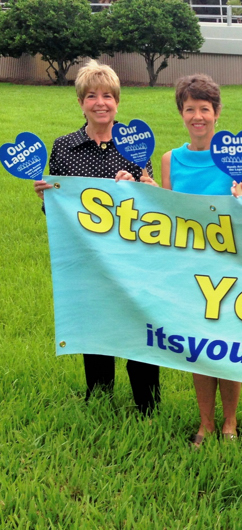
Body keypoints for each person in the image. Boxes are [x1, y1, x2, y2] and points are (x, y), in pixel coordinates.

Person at [32, 60, 160, 415]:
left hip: (134, 256)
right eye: (92, 96)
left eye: (107, 95)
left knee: (139, 322)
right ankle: (100, 395)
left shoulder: (135, 143)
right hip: (87, 256)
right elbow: (60, 213)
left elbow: (153, 209)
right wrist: (48, 199)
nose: (100, 102)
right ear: (81, 102)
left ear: (118, 101)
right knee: (96, 323)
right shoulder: (63, 147)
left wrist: (144, 188)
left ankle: (147, 401)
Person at [161, 74, 242, 447]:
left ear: (217, 112)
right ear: (181, 113)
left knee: (228, 345)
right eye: (189, 109)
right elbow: (166, 213)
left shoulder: (237, 156)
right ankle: (205, 423)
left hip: (232, 267)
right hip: (190, 268)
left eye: (204, 109)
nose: (197, 117)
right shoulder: (170, 160)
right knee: (197, 348)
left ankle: (230, 423)